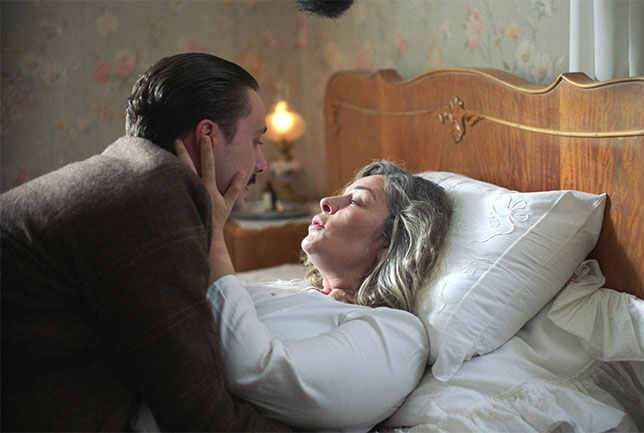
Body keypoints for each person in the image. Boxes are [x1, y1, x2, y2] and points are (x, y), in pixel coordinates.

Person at [0, 53, 288, 432]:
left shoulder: (131, 173)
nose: (262, 164)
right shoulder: (152, 196)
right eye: (256, 141)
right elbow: (198, 413)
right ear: (208, 136)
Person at [143, 142, 453, 432]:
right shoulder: (294, 290)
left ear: (390, 242)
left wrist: (212, 233)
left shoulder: (398, 334)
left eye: (355, 201)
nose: (326, 202)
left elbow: (257, 371)